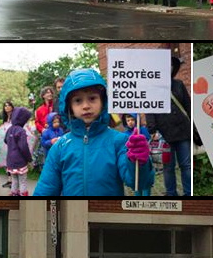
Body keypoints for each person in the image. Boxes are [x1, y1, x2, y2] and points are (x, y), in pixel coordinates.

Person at [33, 68, 153, 196]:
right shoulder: (60, 147)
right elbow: (46, 188)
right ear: (69, 106)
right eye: (78, 100)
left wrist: (140, 163)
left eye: (92, 98)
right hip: (73, 214)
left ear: (103, 102)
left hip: (108, 213)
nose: (85, 106)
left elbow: (139, 183)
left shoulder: (119, 141)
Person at [145, 55, 191, 197]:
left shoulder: (178, 84)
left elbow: (187, 106)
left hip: (183, 131)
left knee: (186, 165)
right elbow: (149, 109)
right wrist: (152, 129)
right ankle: (171, 193)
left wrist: (193, 126)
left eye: (170, 65)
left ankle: (188, 193)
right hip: (164, 134)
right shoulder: (152, 88)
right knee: (168, 166)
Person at [4, 106, 33, 197]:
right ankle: (23, 195)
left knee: (14, 180)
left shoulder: (9, 129)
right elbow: (23, 147)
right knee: (22, 180)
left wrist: (12, 143)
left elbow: (5, 140)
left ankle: (14, 194)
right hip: (20, 161)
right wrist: (29, 159)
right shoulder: (21, 131)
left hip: (10, 160)